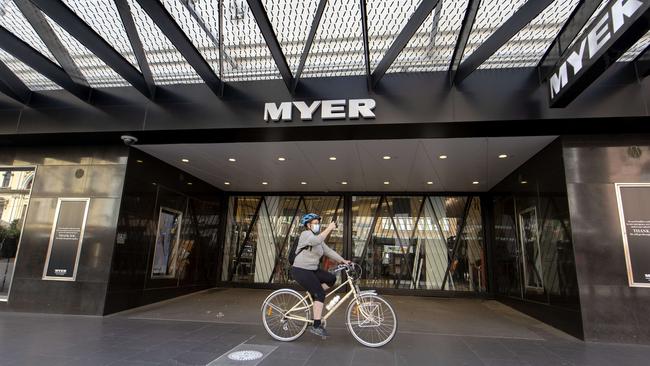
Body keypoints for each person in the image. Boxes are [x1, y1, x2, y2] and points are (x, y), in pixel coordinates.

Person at [291, 213, 350, 338]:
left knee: (331, 278)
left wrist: (343, 261)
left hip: (312, 269)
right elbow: (317, 240)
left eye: (318, 223)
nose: (317, 225)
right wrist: (329, 228)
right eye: (315, 223)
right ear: (308, 225)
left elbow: (328, 251)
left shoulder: (318, 238)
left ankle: (314, 294)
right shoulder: (306, 235)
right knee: (320, 294)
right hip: (300, 270)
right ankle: (316, 325)